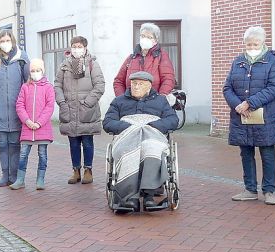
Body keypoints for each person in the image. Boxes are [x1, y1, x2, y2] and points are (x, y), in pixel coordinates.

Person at [223, 26, 275, 205]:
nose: (251, 46)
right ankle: (250, 189)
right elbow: (227, 88)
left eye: (255, 43)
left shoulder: (273, 61)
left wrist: (250, 103)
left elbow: (274, 87)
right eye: (248, 44)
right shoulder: (238, 61)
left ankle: (269, 190)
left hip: (266, 116)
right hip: (242, 115)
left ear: (263, 43)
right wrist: (238, 105)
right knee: (246, 152)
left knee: (267, 152)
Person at [103, 71, 180, 209]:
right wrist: (130, 127)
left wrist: (151, 125)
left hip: (152, 136)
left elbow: (173, 120)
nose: (136, 87)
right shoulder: (119, 101)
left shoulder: (161, 101)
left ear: (149, 86)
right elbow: (108, 122)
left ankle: (149, 194)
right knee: (127, 151)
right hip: (127, 136)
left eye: (140, 84)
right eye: (133, 84)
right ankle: (130, 196)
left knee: (152, 149)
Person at [0, 30, 30, 187]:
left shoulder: (22, 58)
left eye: (8, 40)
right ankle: (5, 174)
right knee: (2, 143)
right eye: (2, 41)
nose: (5, 43)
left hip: (17, 111)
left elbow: (28, 81)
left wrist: (25, 103)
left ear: (12, 41)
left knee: (15, 144)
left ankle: (14, 175)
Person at [54, 36, 105, 185]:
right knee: (73, 143)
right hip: (69, 109)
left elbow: (99, 86)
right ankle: (75, 170)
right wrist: (62, 102)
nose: (76, 49)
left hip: (86, 110)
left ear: (85, 48)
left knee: (87, 141)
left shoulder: (92, 64)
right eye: (74, 46)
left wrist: (87, 103)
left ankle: (88, 170)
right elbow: (57, 85)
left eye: (79, 46)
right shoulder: (64, 65)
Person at [11, 59, 55, 190]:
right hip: (27, 128)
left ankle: (40, 179)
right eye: (33, 71)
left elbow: (49, 106)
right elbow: (19, 105)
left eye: (38, 70)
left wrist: (39, 122)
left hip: (43, 129)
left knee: (42, 154)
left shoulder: (48, 87)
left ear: (43, 71)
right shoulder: (25, 87)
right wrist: (28, 121)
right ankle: (20, 180)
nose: (35, 73)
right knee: (23, 154)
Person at [112, 22, 176, 97]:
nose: (145, 39)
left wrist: (161, 98)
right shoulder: (131, 58)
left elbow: (168, 79)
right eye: (143, 36)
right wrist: (122, 99)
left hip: (153, 103)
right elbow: (118, 81)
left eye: (149, 37)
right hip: (131, 105)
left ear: (155, 41)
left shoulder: (161, 56)